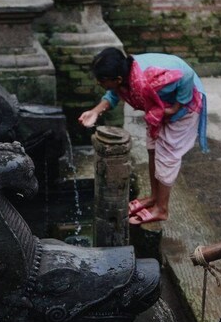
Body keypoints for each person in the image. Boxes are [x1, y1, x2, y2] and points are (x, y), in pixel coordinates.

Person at [78, 48, 208, 225]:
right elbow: (114, 93)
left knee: (167, 157)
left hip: (182, 110)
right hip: (159, 109)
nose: (100, 84)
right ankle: (154, 197)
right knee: (153, 150)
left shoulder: (149, 78)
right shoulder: (124, 75)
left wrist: (177, 106)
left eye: (102, 81)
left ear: (118, 79)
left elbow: (185, 74)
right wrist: (94, 112)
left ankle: (162, 209)